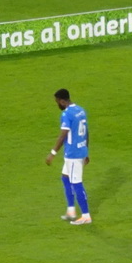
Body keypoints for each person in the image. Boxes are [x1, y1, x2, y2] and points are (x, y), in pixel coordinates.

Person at [45, 88, 91, 225]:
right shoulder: (81, 110)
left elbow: (63, 135)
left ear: (62, 101)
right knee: (65, 178)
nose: (57, 104)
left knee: (77, 183)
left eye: (57, 102)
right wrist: (86, 151)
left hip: (73, 154)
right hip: (81, 150)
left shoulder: (67, 114)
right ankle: (71, 210)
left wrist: (52, 153)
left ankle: (86, 215)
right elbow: (86, 131)